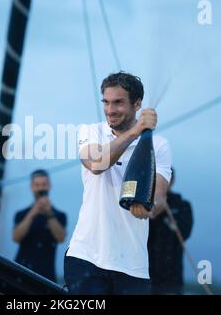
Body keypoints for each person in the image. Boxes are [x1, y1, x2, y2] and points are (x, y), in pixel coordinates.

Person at [64, 71, 172, 294]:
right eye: (106, 102)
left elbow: (160, 197)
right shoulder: (91, 131)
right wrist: (136, 131)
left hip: (133, 267)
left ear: (137, 104)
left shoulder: (160, 145)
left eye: (119, 103)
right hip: (86, 258)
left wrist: (149, 208)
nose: (110, 110)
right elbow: (96, 164)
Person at [13, 169, 67, 282]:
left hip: (46, 276)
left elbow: (61, 238)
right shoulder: (21, 214)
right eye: (37, 185)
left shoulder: (60, 215)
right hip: (21, 272)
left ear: (49, 186)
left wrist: (49, 214)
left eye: (44, 185)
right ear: (32, 187)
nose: (41, 188)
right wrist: (33, 212)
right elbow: (16, 237)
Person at [148, 167, 193, 295]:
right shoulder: (144, 204)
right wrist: (155, 212)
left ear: (172, 181)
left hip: (172, 274)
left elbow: (185, 233)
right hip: (146, 273)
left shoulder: (182, 206)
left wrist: (167, 216)